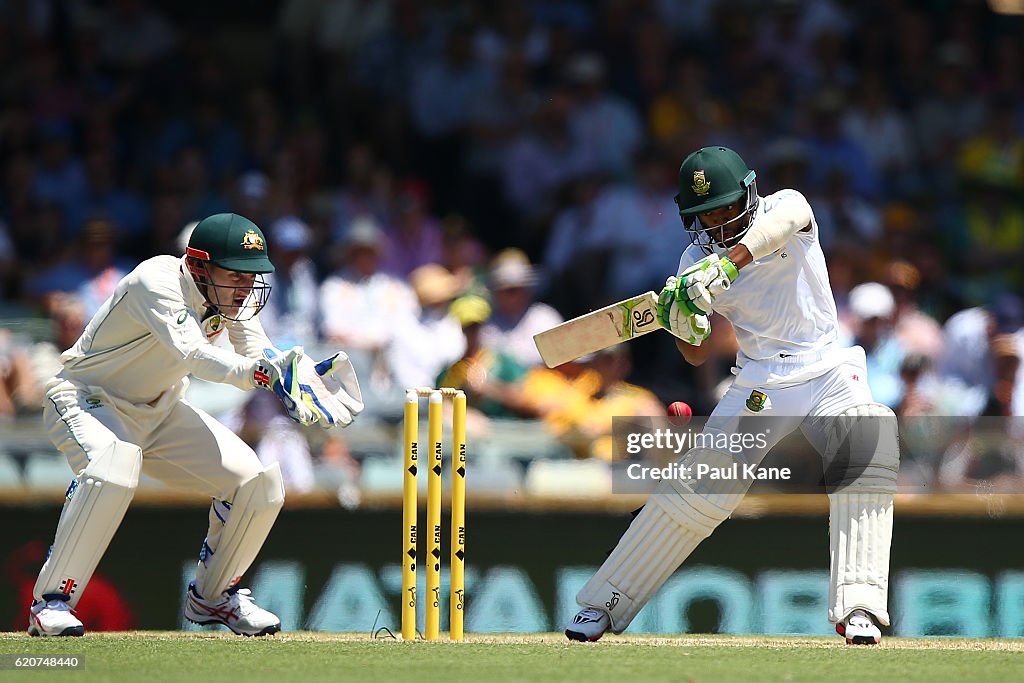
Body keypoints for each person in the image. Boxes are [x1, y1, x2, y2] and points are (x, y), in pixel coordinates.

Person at [565, 146, 899, 646]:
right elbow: (695, 356)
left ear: (748, 192)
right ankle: (605, 603)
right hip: (761, 384)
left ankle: (861, 607)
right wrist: (685, 322)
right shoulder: (692, 261)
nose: (719, 224)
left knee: (868, 435)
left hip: (829, 367)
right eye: (706, 216)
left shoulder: (788, 207)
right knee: (701, 485)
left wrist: (728, 265)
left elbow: (780, 227)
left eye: (725, 208)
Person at [27, 213, 363, 638]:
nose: (246, 288)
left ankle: (214, 596)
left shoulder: (228, 297)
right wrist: (263, 375)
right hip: (88, 401)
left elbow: (255, 348)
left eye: (252, 277)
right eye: (236, 275)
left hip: (162, 410)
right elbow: (194, 356)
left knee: (256, 481)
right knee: (114, 467)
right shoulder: (156, 280)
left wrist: (290, 375)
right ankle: (50, 602)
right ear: (200, 266)